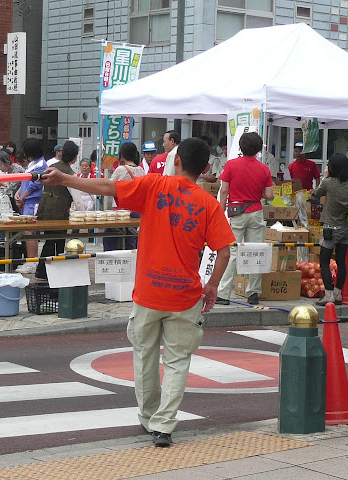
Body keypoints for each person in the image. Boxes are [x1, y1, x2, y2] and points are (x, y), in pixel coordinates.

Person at [40, 137, 234, 447]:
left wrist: (63, 178)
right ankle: (165, 425)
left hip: (148, 292)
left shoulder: (154, 185)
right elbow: (224, 251)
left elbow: (107, 188)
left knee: (144, 356)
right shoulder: (208, 204)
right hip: (185, 296)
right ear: (206, 168)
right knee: (177, 361)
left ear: (178, 161)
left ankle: (148, 417)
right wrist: (212, 286)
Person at [216, 132, 274, 306]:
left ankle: (224, 294)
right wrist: (259, 192)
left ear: (240, 147)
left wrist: (222, 210)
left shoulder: (231, 165)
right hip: (255, 211)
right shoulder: (264, 169)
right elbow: (270, 195)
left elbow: (224, 190)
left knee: (232, 253)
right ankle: (253, 292)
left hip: (236, 211)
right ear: (258, 149)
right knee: (255, 251)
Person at [309, 153, 348, 306]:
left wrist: (325, 177)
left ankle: (328, 295)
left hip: (331, 228)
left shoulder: (328, 183)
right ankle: (338, 294)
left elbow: (315, 194)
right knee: (341, 262)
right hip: (346, 229)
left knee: (324, 261)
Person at [35, 141, 84, 280]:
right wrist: (84, 215)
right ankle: (49, 273)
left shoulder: (51, 167)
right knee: (57, 242)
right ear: (75, 158)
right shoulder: (68, 173)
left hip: (44, 209)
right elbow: (77, 199)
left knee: (49, 240)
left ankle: (42, 271)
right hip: (59, 212)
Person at [15, 138, 47, 273]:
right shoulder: (33, 163)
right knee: (28, 231)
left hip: (33, 201)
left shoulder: (41, 165)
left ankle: (32, 261)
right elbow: (25, 181)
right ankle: (31, 260)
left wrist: (22, 196)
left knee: (30, 232)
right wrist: (18, 193)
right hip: (26, 200)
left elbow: (35, 185)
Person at [106, 142, 145, 251]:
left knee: (112, 238)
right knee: (131, 240)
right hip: (136, 211)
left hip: (121, 211)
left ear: (122, 155)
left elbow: (109, 186)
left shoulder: (121, 169)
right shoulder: (141, 170)